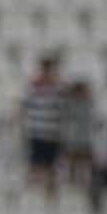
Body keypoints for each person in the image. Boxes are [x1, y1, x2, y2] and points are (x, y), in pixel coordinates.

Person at [22, 56, 65, 196]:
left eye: (49, 68)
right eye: (45, 68)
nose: (47, 71)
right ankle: (33, 194)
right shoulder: (34, 85)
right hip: (37, 130)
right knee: (36, 163)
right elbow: (26, 105)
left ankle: (49, 192)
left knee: (51, 165)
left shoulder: (58, 86)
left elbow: (63, 105)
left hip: (52, 132)